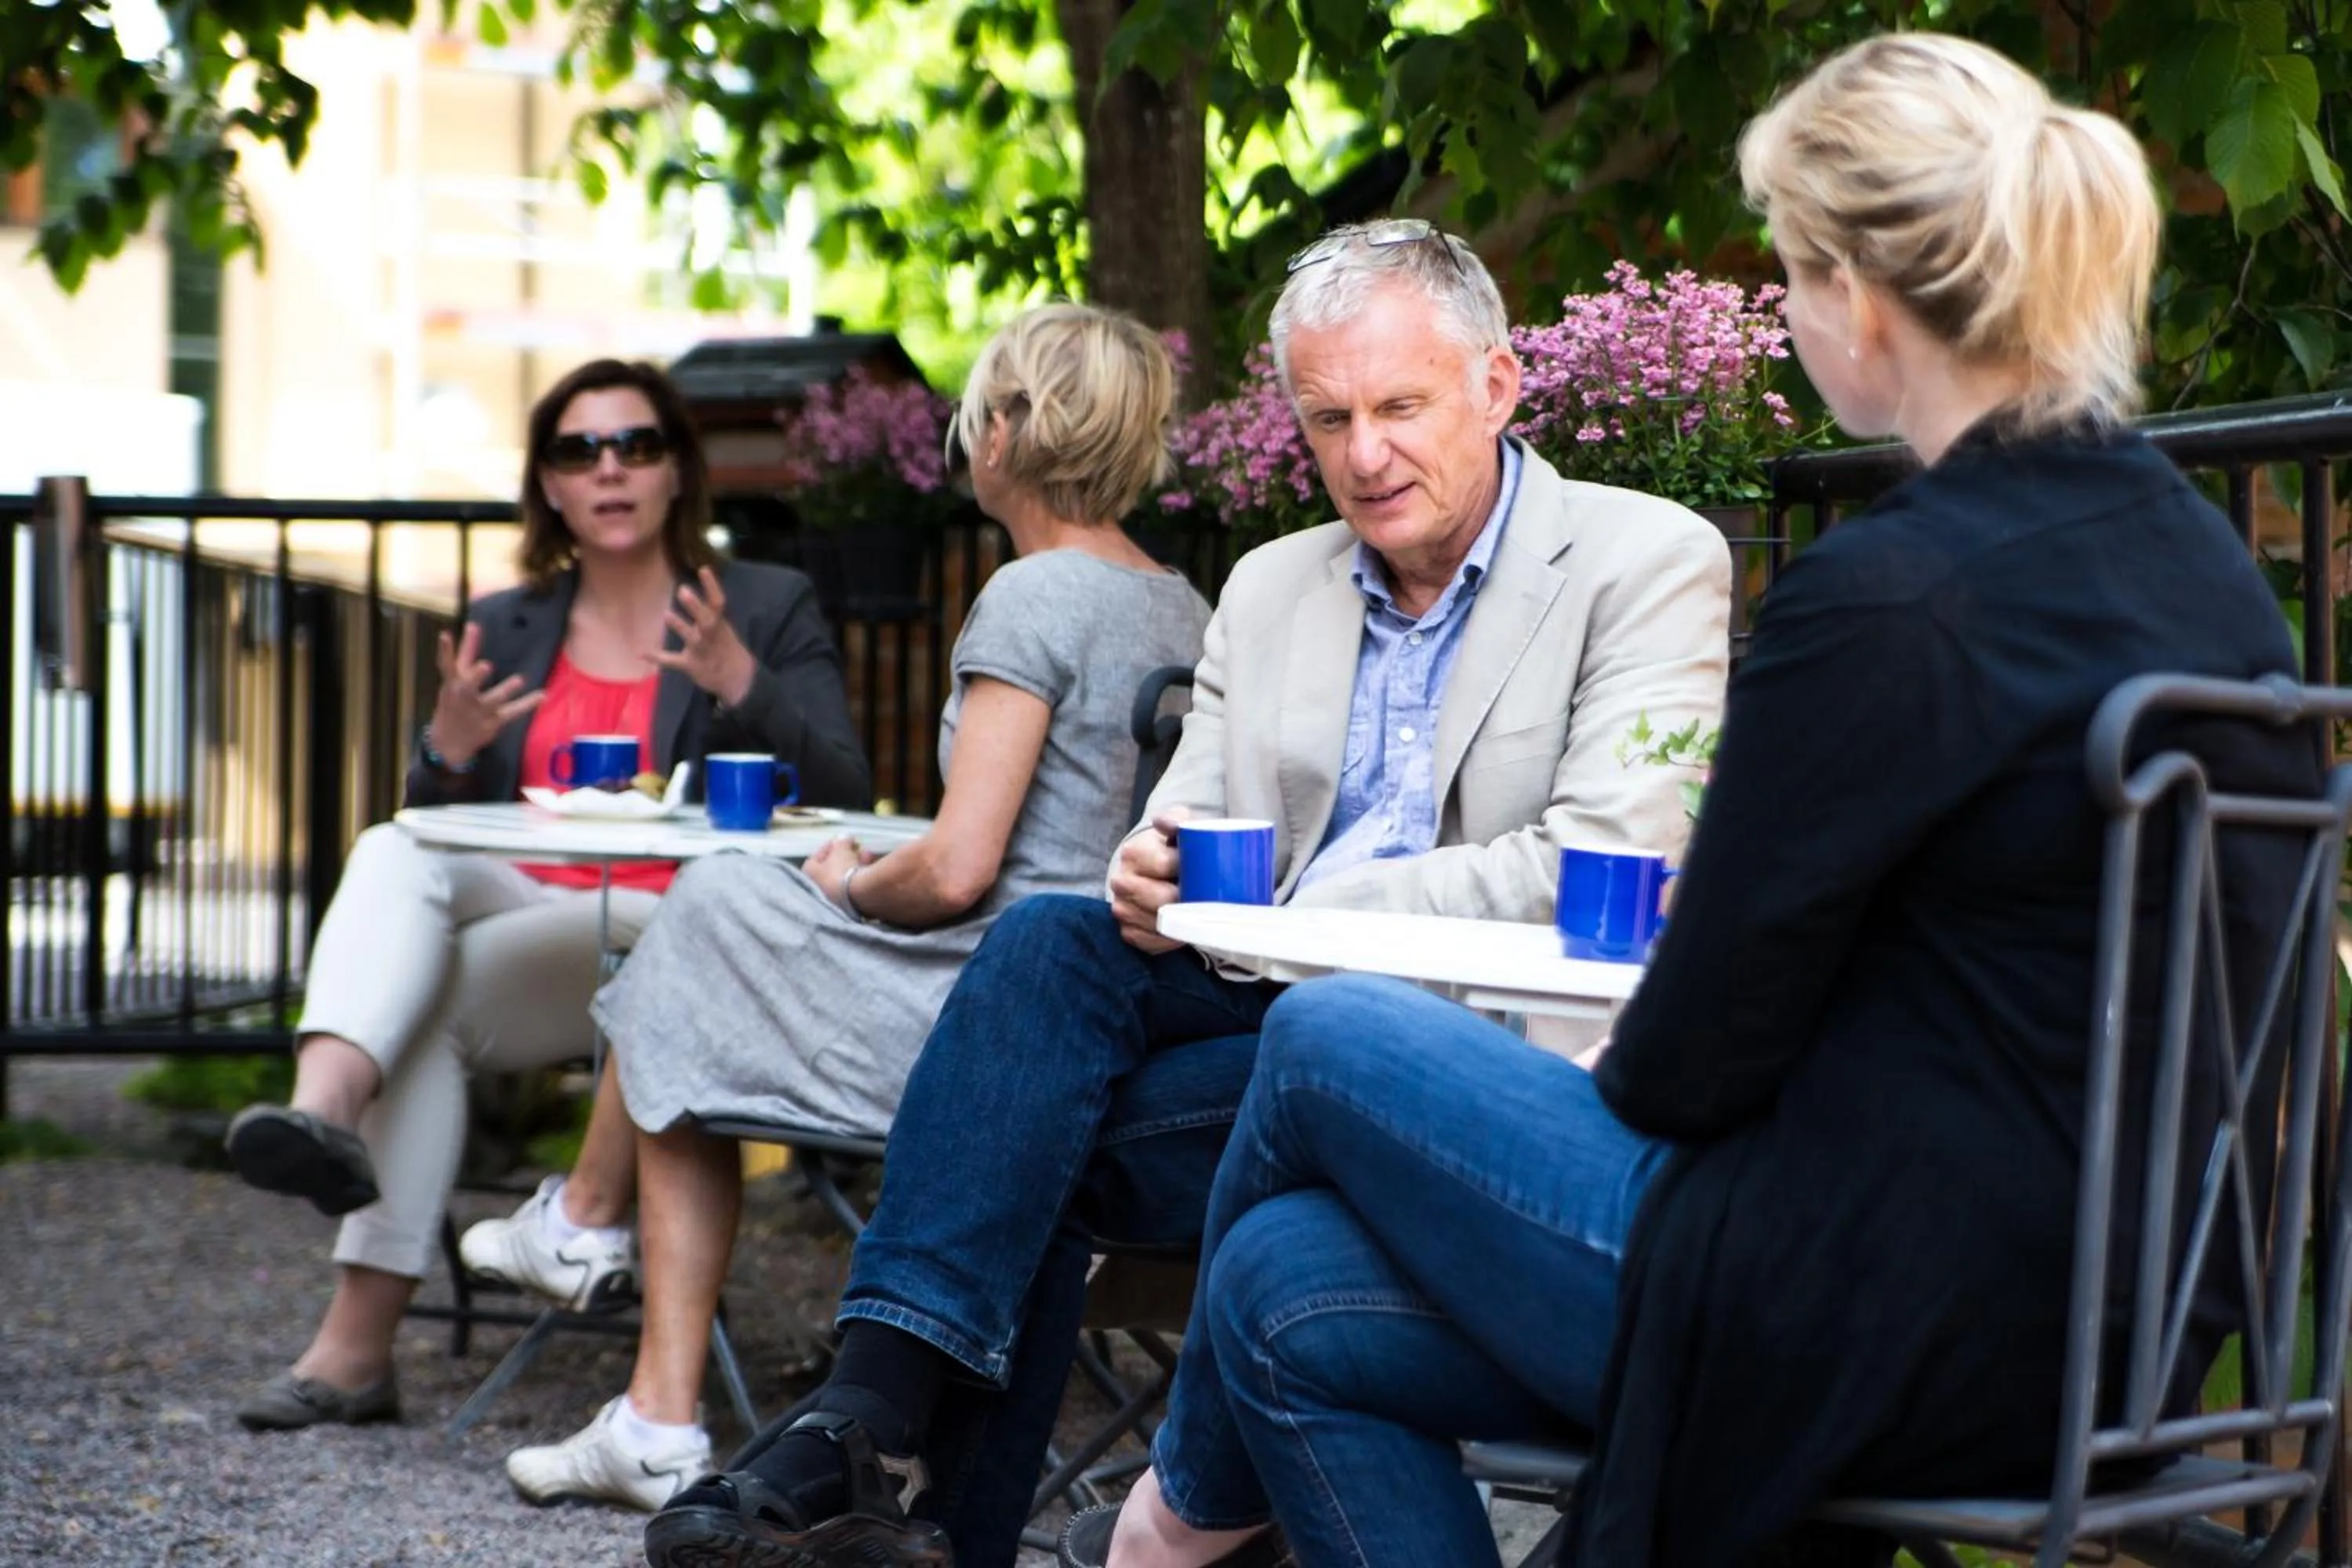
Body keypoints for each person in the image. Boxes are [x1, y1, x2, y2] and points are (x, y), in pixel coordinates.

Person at [1069, 32, 2324, 1568]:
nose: (1786, 313)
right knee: (1280, 1280)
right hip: (2127, 1327)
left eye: (1789, 274)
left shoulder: (1894, 597)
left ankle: (1167, 1530)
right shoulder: (2196, 568)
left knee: (1329, 1036)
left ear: (1860, 299)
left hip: (1870, 1316)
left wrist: (1619, 1060)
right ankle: (1183, 1524)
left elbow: (1692, 1054)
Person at [641, 223, 1734, 1568]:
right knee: (1054, 941)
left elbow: (1604, 856)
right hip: (1253, 1031)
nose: (1365, 456)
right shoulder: (1273, 587)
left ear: (1498, 386)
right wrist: (1147, 866)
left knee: (1029, 1140)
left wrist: (1303, 911)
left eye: (1400, 408)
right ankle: (873, 1428)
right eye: (1329, 419)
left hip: (1478, 1069)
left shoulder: (1645, 557)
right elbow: (1187, 823)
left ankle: (880, 1454)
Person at [461, 303, 1214, 1511]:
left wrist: (852, 881)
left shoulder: (1033, 596)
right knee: (716, 934)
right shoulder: (1184, 606)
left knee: (711, 908)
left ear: (1005, 432)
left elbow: (959, 871)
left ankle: (614, 1301)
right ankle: (635, 1367)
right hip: (1099, 1012)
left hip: (984, 1028)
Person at [223, 358, 869, 1432]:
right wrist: (445, 750)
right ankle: (321, 1116)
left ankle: (353, 1348)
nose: (609, 468)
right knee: (391, 848)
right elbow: (442, 831)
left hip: (677, 937)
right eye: (579, 450)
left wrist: (740, 683)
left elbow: (847, 785)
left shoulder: (759, 605)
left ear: (676, 471)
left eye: (636, 445)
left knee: (423, 1009)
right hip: (531, 913)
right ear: (550, 486)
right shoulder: (507, 621)